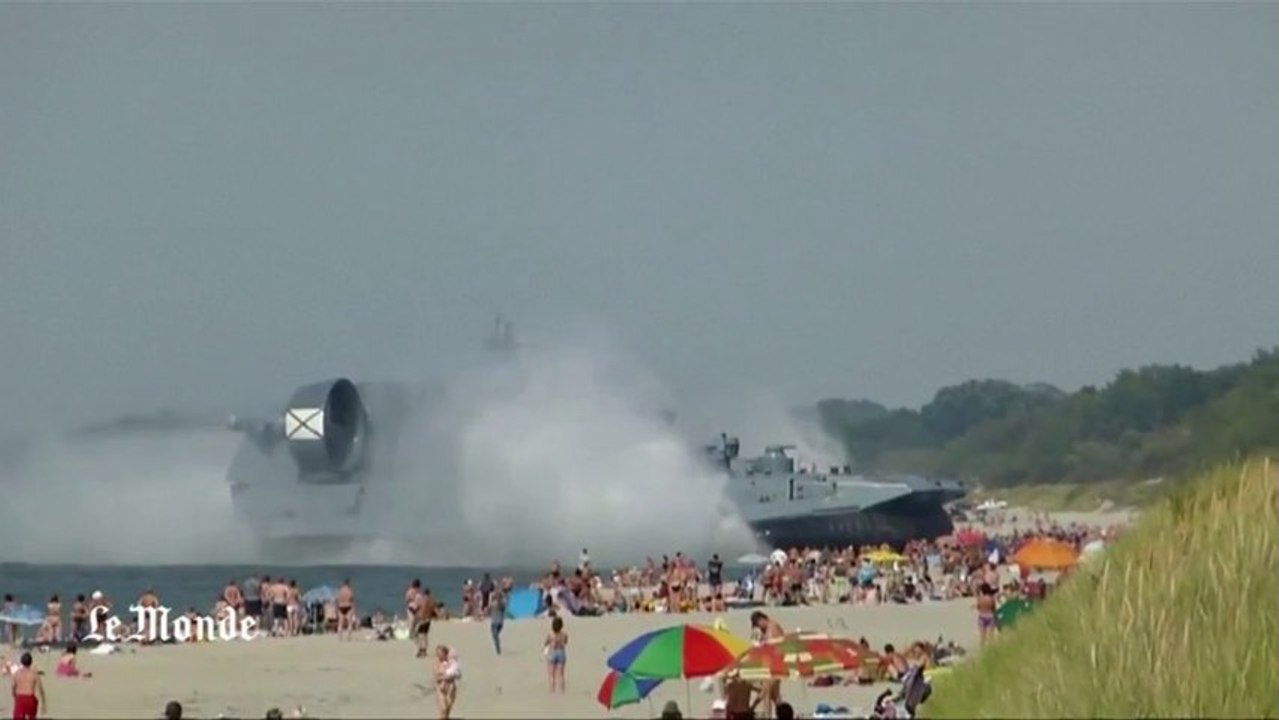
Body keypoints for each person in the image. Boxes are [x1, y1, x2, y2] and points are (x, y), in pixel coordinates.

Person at [10, 652, 45, 720]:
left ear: (21, 662)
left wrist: (15, 697)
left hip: (20, 697)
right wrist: (43, 704)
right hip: (30, 698)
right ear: (31, 662)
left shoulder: (16, 674)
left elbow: (13, 688)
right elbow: (40, 690)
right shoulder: (35, 675)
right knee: (31, 717)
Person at [543, 616, 568, 693]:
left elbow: (546, 643)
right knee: (561, 675)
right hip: (561, 652)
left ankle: (552, 691)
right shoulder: (564, 634)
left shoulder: (550, 634)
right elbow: (566, 642)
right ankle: (562, 691)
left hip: (552, 652)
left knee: (551, 675)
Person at [433, 645, 459, 719]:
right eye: (437, 654)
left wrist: (446, 676)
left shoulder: (452, 662)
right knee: (443, 708)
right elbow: (436, 677)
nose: (439, 656)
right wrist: (446, 676)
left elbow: (457, 674)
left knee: (447, 708)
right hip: (441, 687)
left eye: (440, 654)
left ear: (445, 653)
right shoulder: (436, 663)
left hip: (451, 687)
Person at [486, 590, 505, 655]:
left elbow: (488, 610)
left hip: (494, 622)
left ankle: (498, 650)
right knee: (496, 636)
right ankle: (498, 648)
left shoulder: (493, 604)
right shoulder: (502, 604)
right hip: (501, 622)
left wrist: (490, 599)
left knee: (494, 636)